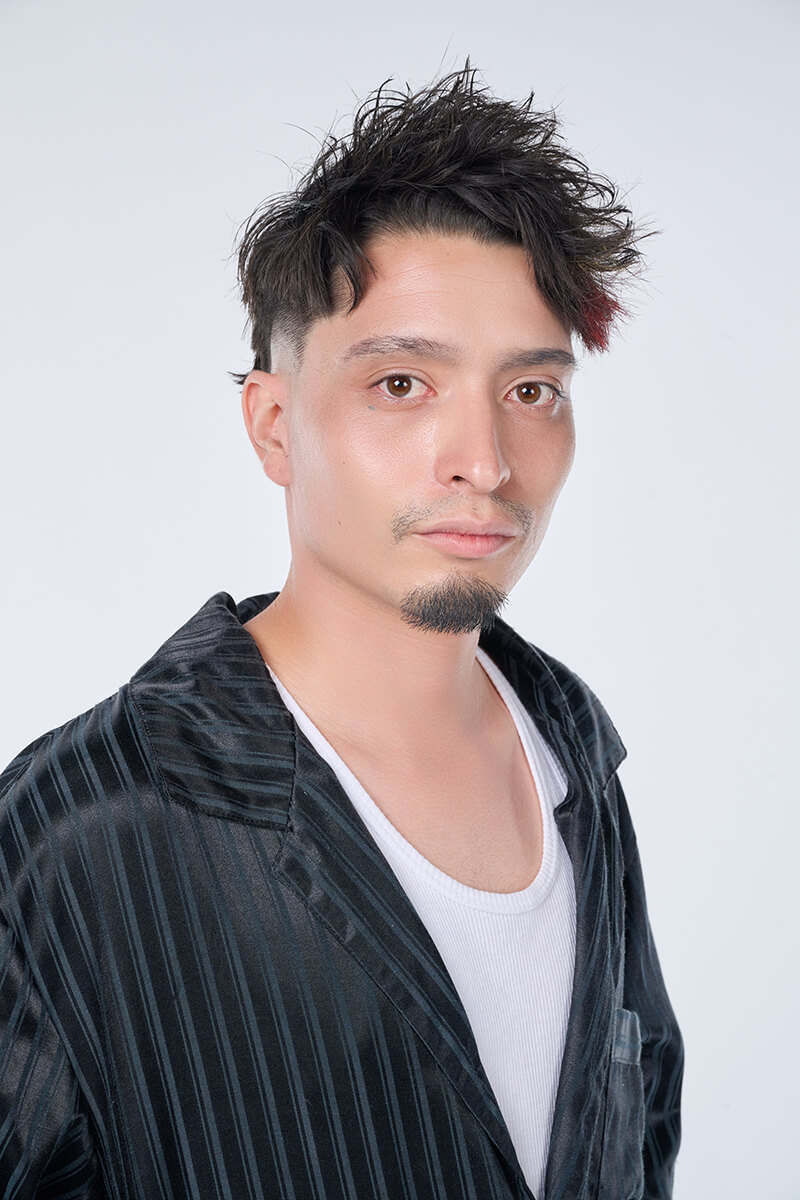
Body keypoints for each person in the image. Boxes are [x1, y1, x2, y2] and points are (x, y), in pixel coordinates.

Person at [0, 67, 682, 1200]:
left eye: (531, 392)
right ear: (274, 425)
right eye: (403, 383)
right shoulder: (80, 828)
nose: (484, 462)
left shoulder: (576, 759)